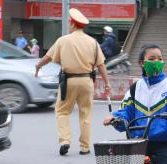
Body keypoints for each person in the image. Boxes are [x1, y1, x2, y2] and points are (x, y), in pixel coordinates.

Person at [35, 8, 112, 156]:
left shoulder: (63, 40)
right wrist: (107, 84)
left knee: (62, 111)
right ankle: (84, 147)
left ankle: (65, 141)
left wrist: (38, 66)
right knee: (86, 114)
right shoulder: (93, 42)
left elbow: (48, 57)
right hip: (87, 81)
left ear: (72, 24)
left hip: (68, 81)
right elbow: (101, 64)